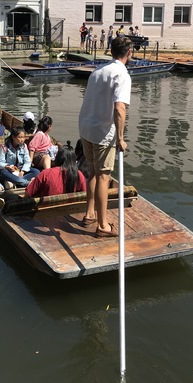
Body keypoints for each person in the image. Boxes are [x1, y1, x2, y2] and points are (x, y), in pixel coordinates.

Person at [78, 37, 132, 237]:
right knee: (103, 177)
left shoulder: (98, 70)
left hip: (86, 127)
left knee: (93, 171)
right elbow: (120, 108)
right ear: (129, 52)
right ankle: (102, 225)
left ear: (111, 51)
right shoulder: (122, 74)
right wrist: (120, 137)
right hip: (102, 132)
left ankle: (89, 213)